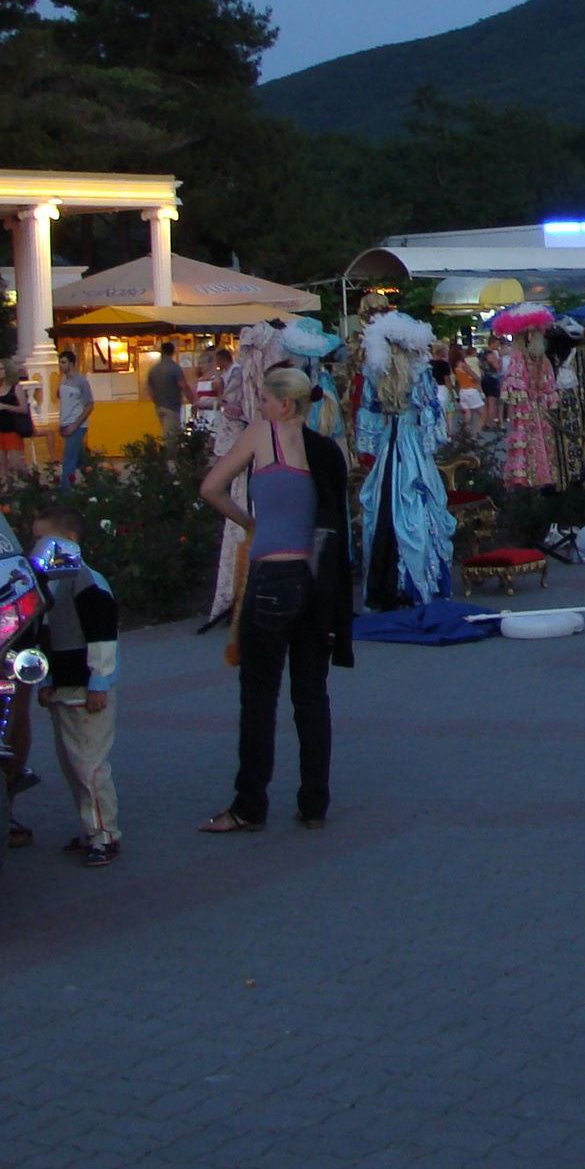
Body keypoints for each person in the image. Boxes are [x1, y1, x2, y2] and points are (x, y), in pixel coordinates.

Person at [196, 365, 355, 833]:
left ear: (283, 405)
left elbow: (210, 488)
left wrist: (249, 524)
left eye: (263, 399)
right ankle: (314, 803)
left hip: (272, 575)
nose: (258, 406)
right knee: (311, 695)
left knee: (259, 695)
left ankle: (249, 805)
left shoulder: (261, 436)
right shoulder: (328, 450)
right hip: (317, 579)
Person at [32, 505, 123, 867]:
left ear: (68, 540)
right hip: (64, 689)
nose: (36, 547)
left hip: (87, 692)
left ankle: (106, 834)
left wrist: (99, 682)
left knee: (90, 765)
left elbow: (103, 636)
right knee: (74, 764)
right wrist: (47, 680)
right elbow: (44, 637)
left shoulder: (86, 581)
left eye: (42, 539)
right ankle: (92, 829)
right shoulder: (52, 584)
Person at [56, 347, 94, 485]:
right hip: (65, 422)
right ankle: (97, 485)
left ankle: (65, 490)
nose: (61, 365)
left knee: (69, 458)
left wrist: (75, 425)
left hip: (77, 425)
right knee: (80, 458)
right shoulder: (62, 380)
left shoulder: (81, 381)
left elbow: (89, 405)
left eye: (63, 362)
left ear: (71, 363)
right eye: (60, 362)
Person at [0, 358, 34, 462]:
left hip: (12, 430)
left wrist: (5, 406)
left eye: (1, 369)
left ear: (7, 370)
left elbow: (24, 409)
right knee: (0, 463)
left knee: (15, 465)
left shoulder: (16, 388)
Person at [146, 342, 188, 442]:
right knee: (170, 437)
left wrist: (155, 400)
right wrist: (192, 399)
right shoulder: (175, 368)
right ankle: (169, 457)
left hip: (159, 405)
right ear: (173, 352)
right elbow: (183, 385)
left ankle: (168, 455)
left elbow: (149, 387)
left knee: (166, 431)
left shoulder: (153, 369)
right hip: (172, 406)